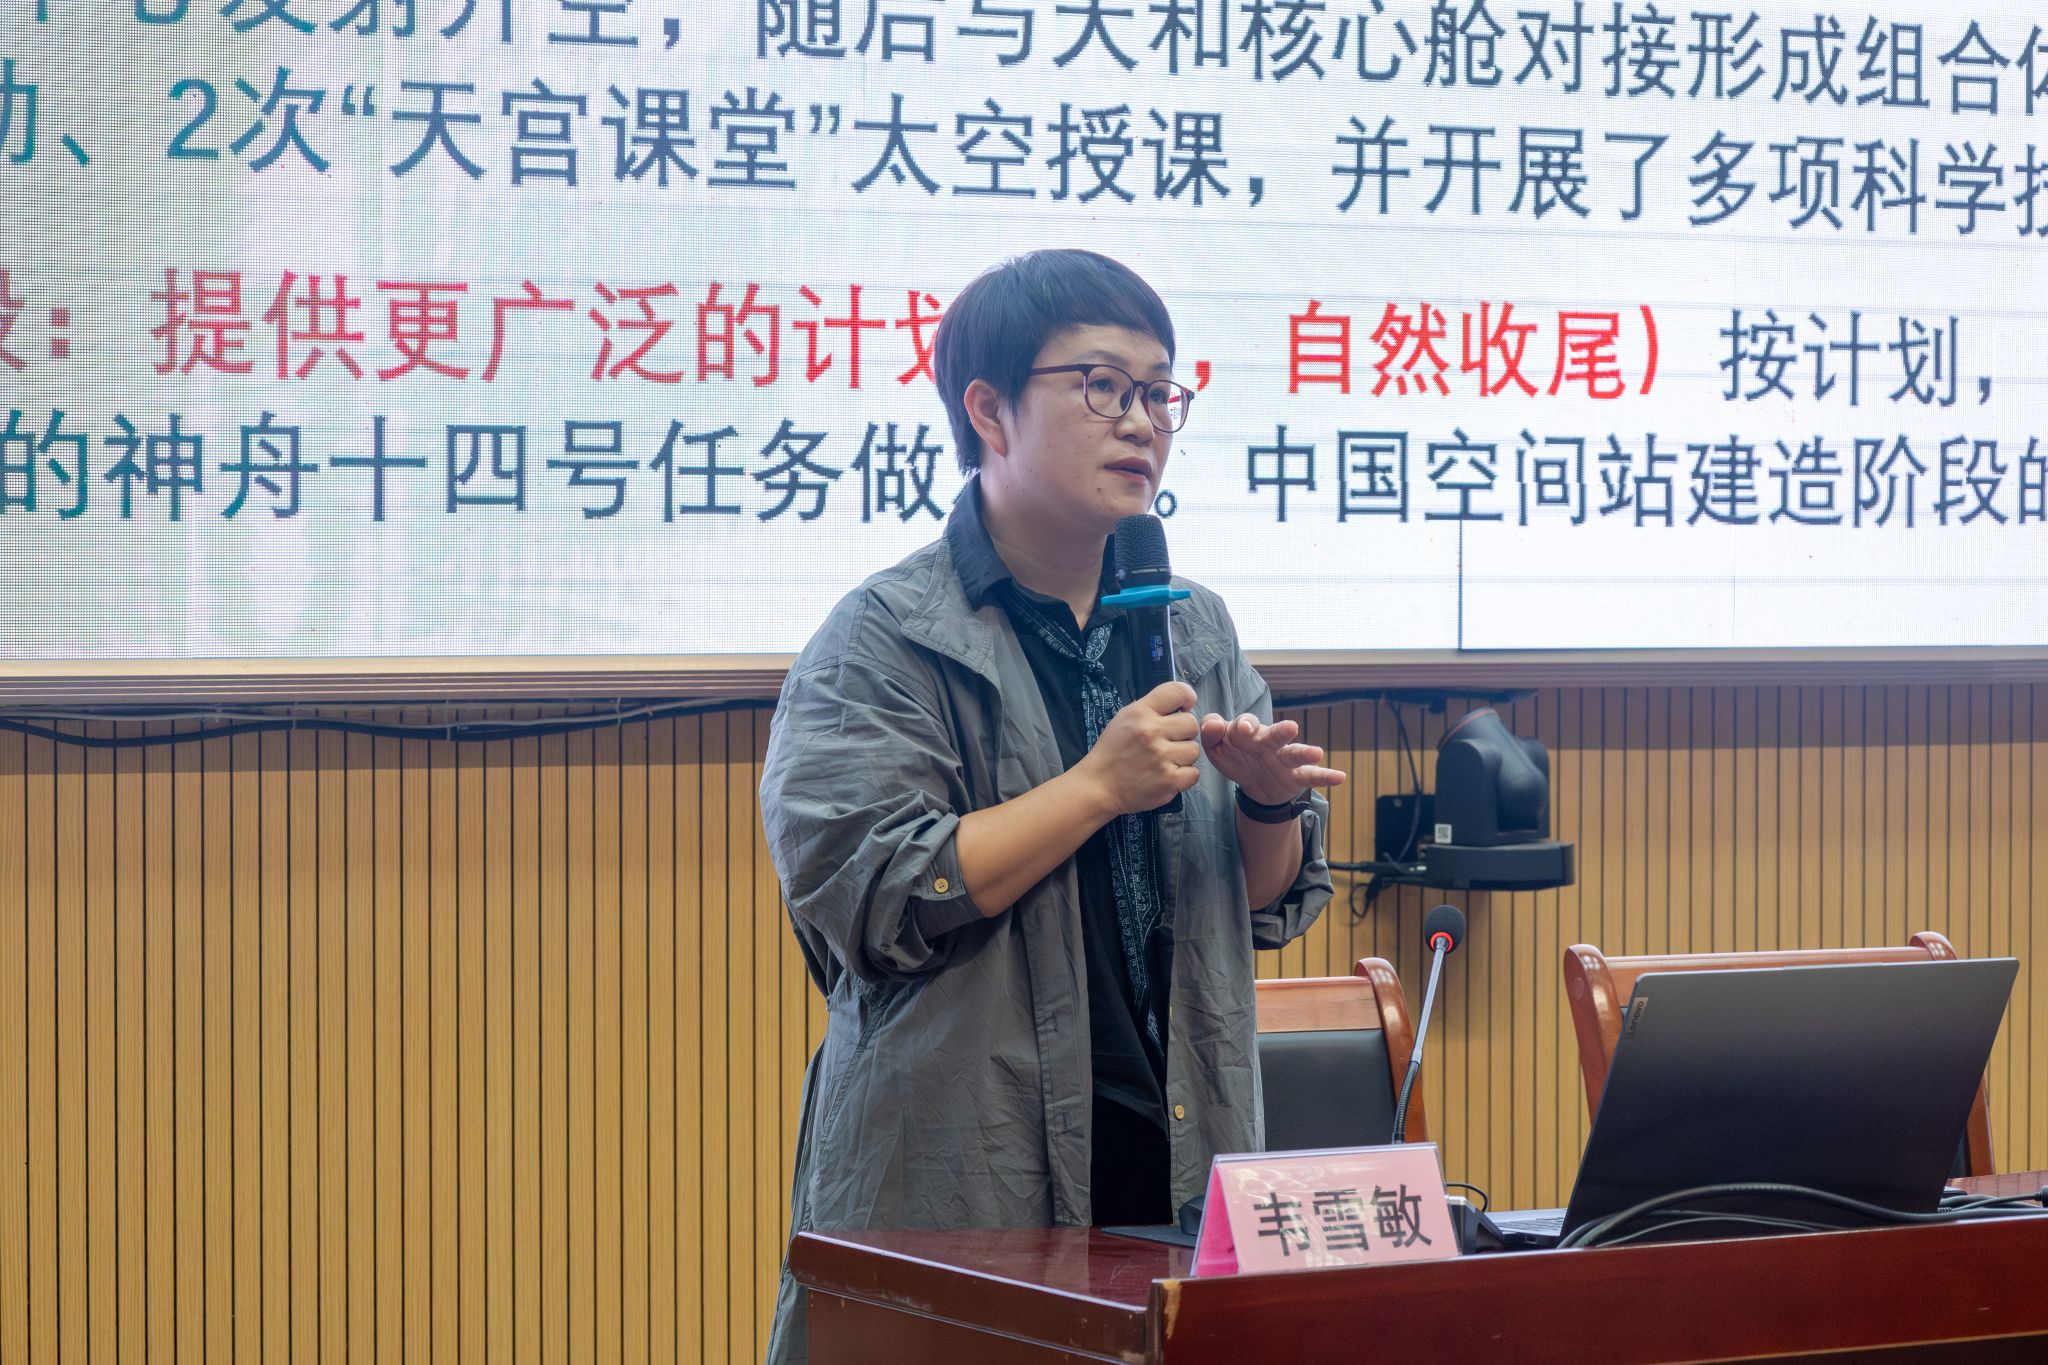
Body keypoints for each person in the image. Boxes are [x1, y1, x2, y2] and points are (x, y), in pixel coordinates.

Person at [758, 248, 1344, 1364]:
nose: (1142, 423)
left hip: (1178, 1149)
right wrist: (1091, 789)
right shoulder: (884, 636)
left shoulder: (1191, 625)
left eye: (1159, 392)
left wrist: (1267, 808)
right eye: (1101, 385)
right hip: (970, 1169)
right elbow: (876, 898)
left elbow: (1259, 905)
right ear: (988, 411)